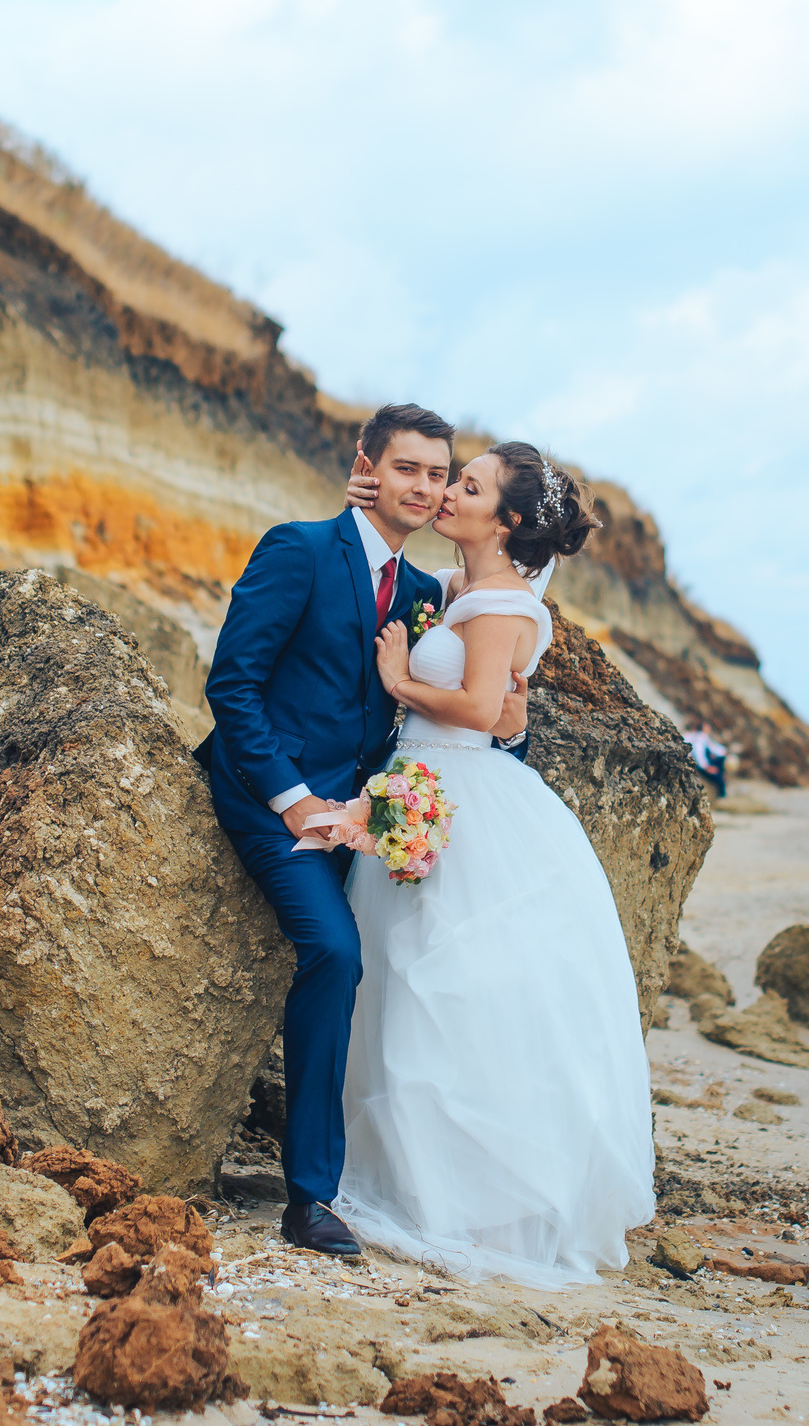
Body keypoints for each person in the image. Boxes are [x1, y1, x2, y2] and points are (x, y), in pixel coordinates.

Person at [197, 406, 530, 1258]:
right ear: (367, 467)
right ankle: (311, 1197)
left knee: (434, 966)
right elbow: (233, 685)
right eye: (407, 468)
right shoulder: (299, 549)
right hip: (269, 796)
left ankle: (447, 1173)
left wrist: (509, 713)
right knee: (336, 953)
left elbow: (463, 705)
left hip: (369, 815)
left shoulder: (429, 597)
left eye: (437, 473)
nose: (424, 487)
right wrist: (295, 801)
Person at [330, 442, 656, 1285]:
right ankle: (412, 1178)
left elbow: (480, 708)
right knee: (402, 988)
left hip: (465, 800)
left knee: (457, 993)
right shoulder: (457, 588)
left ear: (507, 519)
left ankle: (470, 1202)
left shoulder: (504, 599)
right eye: (450, 479)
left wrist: (402, 682)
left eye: (467, 486)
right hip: (423, 786)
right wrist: (366, 500)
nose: (447, 493)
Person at [684, 722, 727, 797]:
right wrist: (706, 767)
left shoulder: (704, 737)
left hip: (703, 763)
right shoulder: (699, 738)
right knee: (719, 777)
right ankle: (721, 796)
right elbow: (698, 754)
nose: (709, 729)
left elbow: (715, 748)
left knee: (721, 759)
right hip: (700, 766)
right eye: (707, 727)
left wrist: (724, 752)